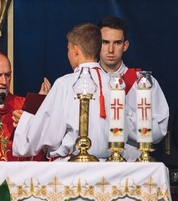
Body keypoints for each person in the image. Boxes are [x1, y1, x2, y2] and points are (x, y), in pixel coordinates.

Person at [12, 22, 111, 160]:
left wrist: (26, 121)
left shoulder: (66, 84)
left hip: (73, 168)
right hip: (111, 166)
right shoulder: (116, 84)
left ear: (76, 50)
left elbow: (49, 134)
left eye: (68, 49)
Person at [97, 16, 169, 161]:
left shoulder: (143, 82)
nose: (111, 49)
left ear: (125, 45)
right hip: (94, 164)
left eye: (117, 43)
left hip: (133, 164)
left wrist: (122, 122)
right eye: (105, 42)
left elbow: (159, 130)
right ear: (97, 44)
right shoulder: (86, 83)